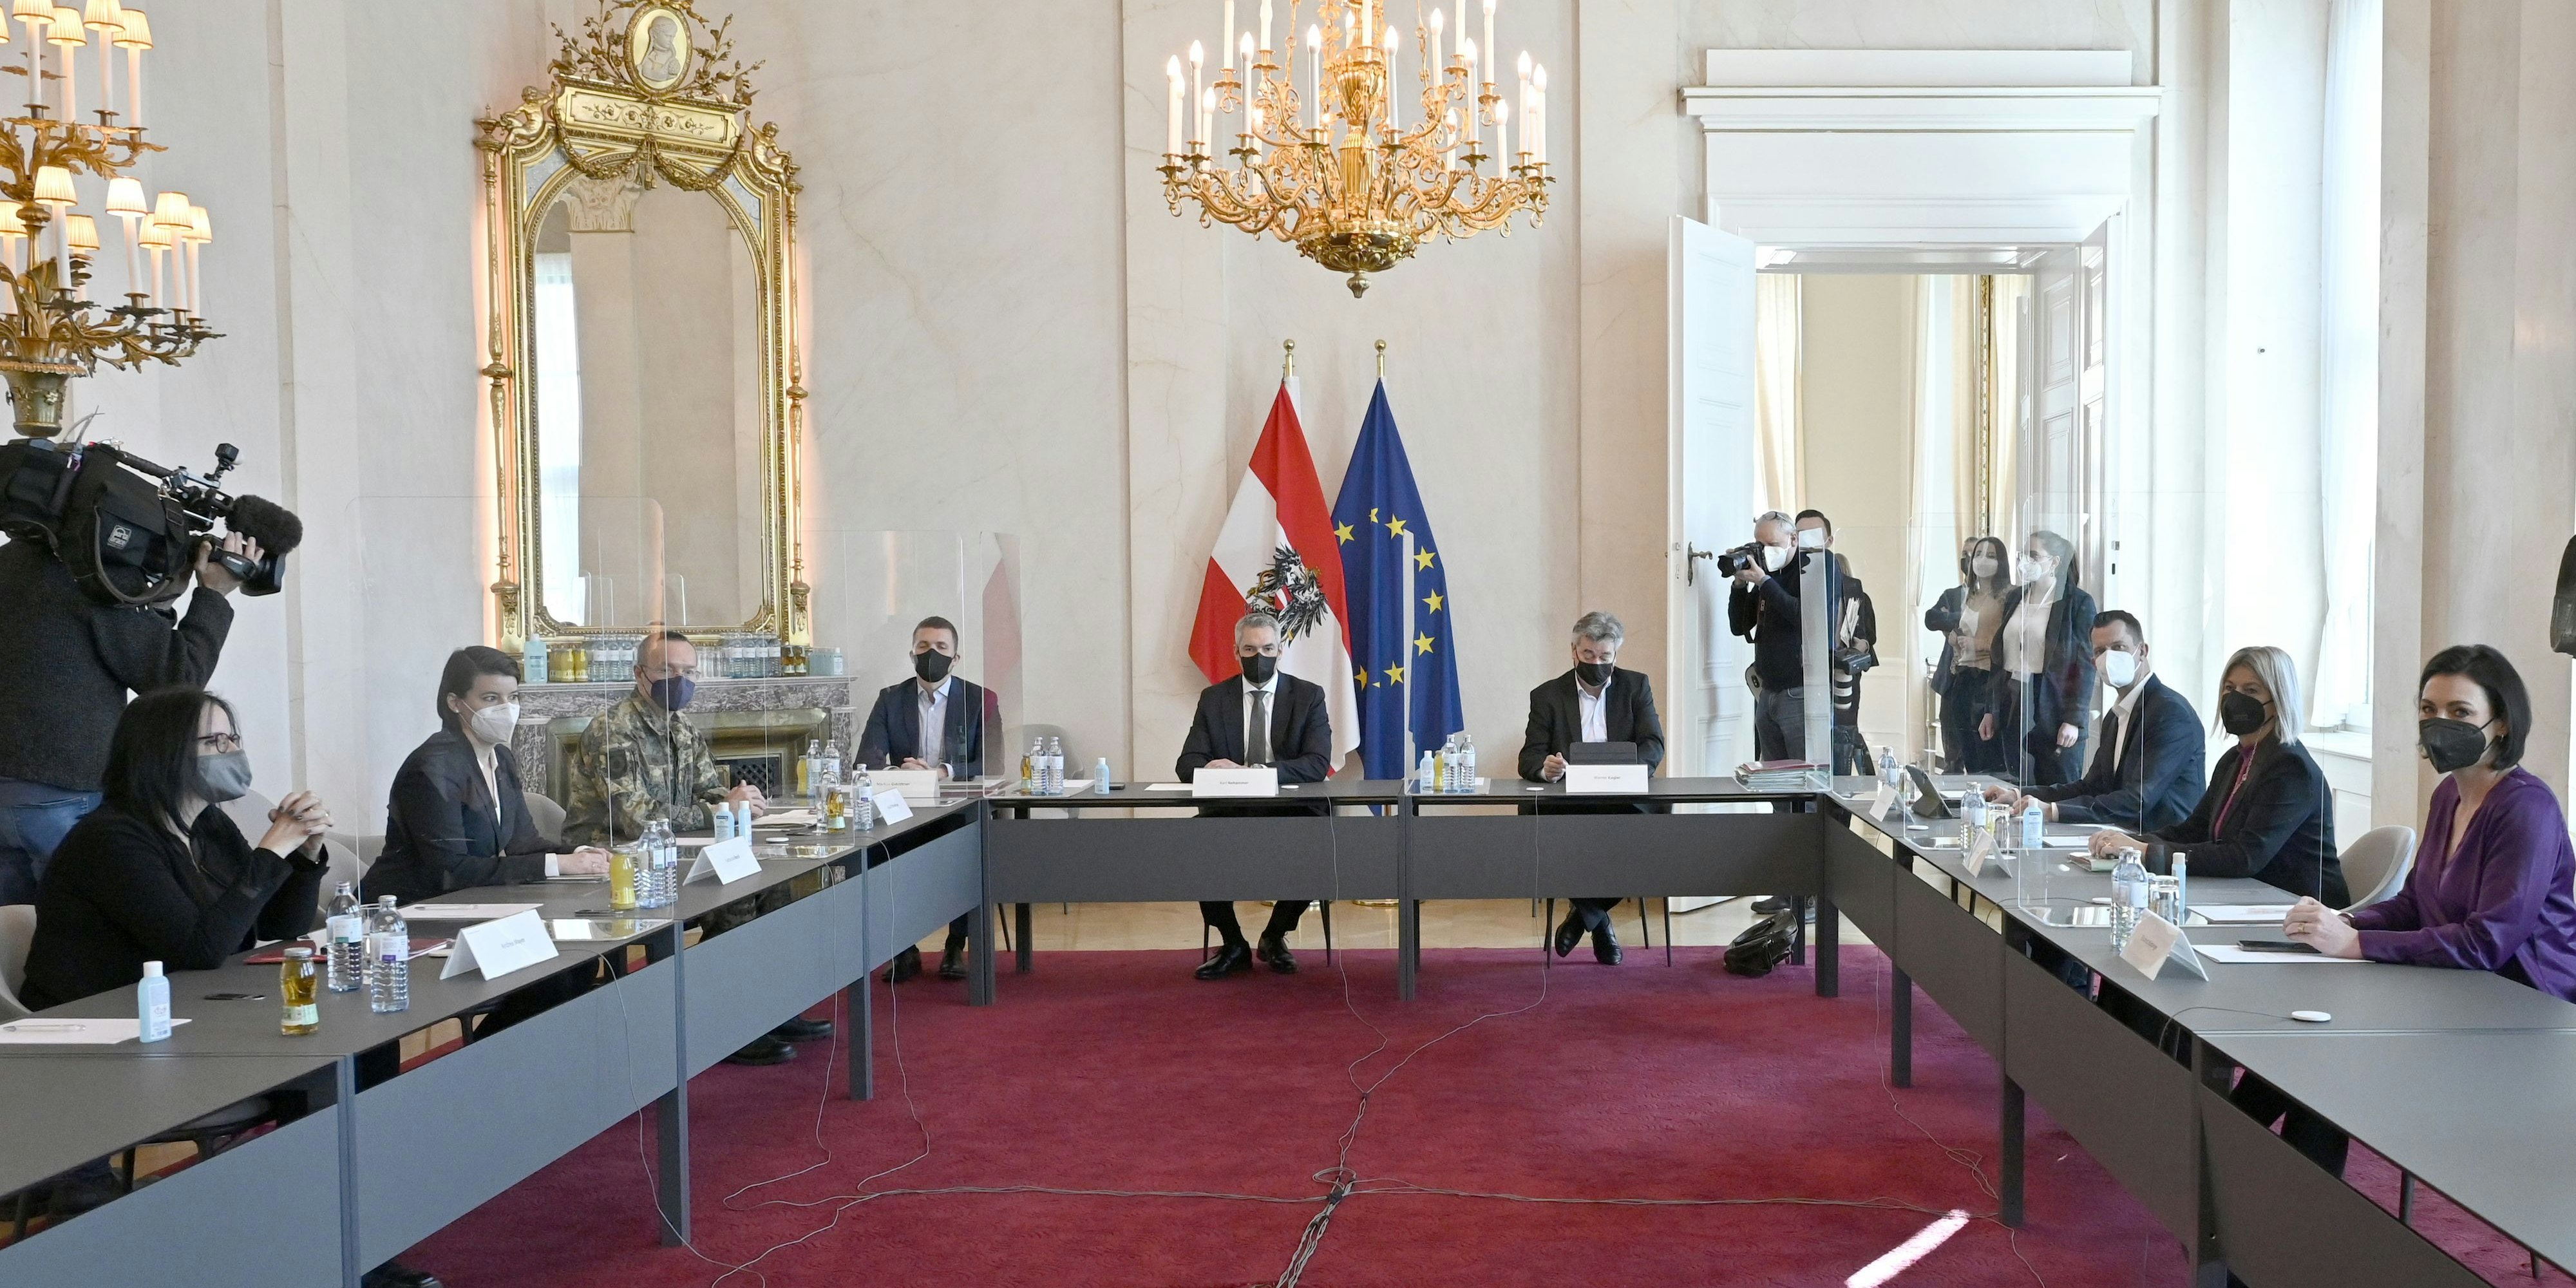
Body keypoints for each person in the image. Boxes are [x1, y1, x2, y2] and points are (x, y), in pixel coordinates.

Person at [15, 690, 439, 1288]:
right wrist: (272, 849)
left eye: (234, 740)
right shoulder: (111, 840)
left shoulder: (208, 827)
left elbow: (272, 929)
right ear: (163, 753)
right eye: (215, 743)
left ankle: (343, 1236)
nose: (232, 753)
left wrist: (306, 856)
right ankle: (324, 1241)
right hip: (106, 1044)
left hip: (191, 1017)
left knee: (359, 1057)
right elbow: (200, 949)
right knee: (326, 1070)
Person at [2240, 646, 2576, 1190]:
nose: (2439, 724)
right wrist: (2345, 921)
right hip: (2453, 992)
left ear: (2503, 722)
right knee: (2299, 1039)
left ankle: (2286, 1225)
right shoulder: (2449, 794)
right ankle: (2224, 1184)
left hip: (2523, 1014)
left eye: (2460, 713)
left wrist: (2358, 946)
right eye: (2428, 709)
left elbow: (2487, 943)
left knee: (2331, 1062)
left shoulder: (2527, 810)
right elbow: (2416, 903)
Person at [564, 630, 819, 1066]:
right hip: (614, 861)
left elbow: (707, 790)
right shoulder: (612, 731)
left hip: (672, 851)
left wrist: (741, 799)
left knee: (776, 885)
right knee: (733, 898)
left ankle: (769, 1009)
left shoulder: (681, 728)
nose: (679, 680)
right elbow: (636, 818)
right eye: (667, 670)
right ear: (639, 674)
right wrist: (717, 808)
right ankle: (726, 1024)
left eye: (688, 672)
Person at [0, 530, 263, 906]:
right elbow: (177, 681)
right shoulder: (90, 574)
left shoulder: (9, 563)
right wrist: (214, 594)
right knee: (83, 931)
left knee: (12, 944)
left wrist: (155, 604)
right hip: (65, 791)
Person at [2087, 645, 2345, 905]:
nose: (2236, 699)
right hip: (2246, 897)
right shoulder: (2235, 759)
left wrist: (2147, 852)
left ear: (2278, 702)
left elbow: (2245, 856)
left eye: (2251, 691)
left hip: (2299, 910)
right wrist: (2130, 843)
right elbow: (2194, 830)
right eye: (2230, 689)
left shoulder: (2290, 768)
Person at [371, 647, 610, 902]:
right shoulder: (432, 767)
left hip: (466, 905)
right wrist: (560, 865)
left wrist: (584, 854)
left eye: (513, 697)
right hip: (401, 912)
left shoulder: (502, 759)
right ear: (455, 703)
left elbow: (524, 845)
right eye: (491, 698)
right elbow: (450, 871)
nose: (507, 709)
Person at [1175, 612, 1332, 980]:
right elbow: (1187, 763)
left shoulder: (1308, 696)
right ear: (1235, 651)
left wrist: (1259, 773)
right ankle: (1232, 944)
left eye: (1266, 648)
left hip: (1289, 808)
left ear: (1281, 649)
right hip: (1231, 807)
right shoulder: (1214, 699)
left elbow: (1317, 763)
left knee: (1318, 839)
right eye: (1249, 649)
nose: (1258, 657)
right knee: (1198, 838)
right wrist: (1213, 767)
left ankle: (1275, 937)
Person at [1518, 611, 1665, 965]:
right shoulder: (1548, 696)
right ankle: (1599, 923)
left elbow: (1653, 744)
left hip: (1623, 794)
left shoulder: (1636, 686)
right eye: (1588, 656)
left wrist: (1630, 771)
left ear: (1616, 654)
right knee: (1552, 827)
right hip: (1569, 798)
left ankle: (1585, 915)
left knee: (1649, 828)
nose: (1596, 663)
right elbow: (1529, 758)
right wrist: (1545, 768)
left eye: (1605, 657)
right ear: (1573, 651)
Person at [858, 616, 997, 982]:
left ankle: (956, 946)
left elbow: (993, 760)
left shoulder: (979, 699)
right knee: (876, 850)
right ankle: (903, 951)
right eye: (923, 647)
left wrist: (940, 772)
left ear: (956, 657)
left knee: (967, 847)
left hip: (957, 806)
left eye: (940, 648)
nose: (930, 655)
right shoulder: (890, 699)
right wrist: (904, 775)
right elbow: (867, 759)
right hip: (904, 808)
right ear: (911, 653)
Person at [1984, 611, 2204, 834]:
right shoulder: (2116, 715)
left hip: (2161, 846)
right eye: (2100, 651)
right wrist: (2019, 795)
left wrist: (2052, 810)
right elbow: (2091, 787)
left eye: (2118, 647)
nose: (2109, 658)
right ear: (2093, 662)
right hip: (2116, 837)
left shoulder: (2171, 713)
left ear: (2142, 651)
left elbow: (2138, 800)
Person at [1980, 530, 2096, 786]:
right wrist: (1991, 710)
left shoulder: (2077, 603)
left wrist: (2073, 720)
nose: (2025, 561)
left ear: (2054, 562)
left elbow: (2086, 666)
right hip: (2013, 697)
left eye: (2033, 555)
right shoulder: (2015, 597)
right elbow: (1999, 658)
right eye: (2023, 555)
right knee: (2014, 782)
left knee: (2054, 783)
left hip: (2052, 702)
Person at [1727, 511, 1809, 762]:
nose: (1765, 551)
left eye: (1772, 545)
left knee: (1803, 778)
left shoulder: (1812, 568)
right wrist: (1740, 584)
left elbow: (1803, 617)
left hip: (1799, 691)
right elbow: (1739, 626)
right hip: (1766, 691)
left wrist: (1764, 582)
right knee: (1775, 782)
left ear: (1793, 540)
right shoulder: (1768, 573)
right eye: (1759, 545)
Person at [1925, 535, 2011, 773]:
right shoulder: (1968, 595)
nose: (1982, 560)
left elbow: (2009, 641)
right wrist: (1952, 635)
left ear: (2001, 561)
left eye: (1991, 556)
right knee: (1962, 754)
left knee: (1987, 758)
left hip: (1988, 681)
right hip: (1962, 678)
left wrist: (1978, 643)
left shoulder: (2009, 595)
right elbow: (1933, 618)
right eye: (1978, 555)